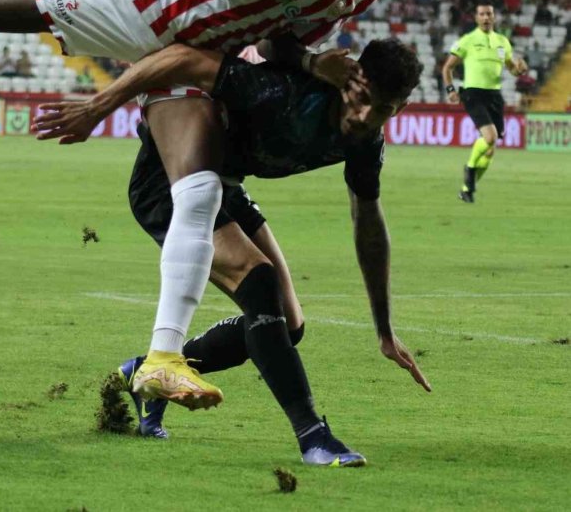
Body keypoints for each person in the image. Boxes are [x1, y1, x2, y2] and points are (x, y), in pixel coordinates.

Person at [0, 0, 445, 409]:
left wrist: (308, 59)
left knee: (201, 190)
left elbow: (279, 39)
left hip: (195, 52)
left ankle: (163, 359)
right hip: (133, 3)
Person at [35, 38, 430, 465]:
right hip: (167, 181)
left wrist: (384, 330)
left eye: (384, 110)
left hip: (225, 189)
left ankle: (145, 374)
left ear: (402, 108)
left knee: (289, 325)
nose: (365, 116)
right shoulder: (279, 91)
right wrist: (97, 108)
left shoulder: (366, 141)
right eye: (363, 99)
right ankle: (313, 436)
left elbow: (368, 226)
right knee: (258, 281)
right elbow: (183, 58)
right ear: (350, 77)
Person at [442, 4, 527, 203]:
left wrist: (520, 70)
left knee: (490, 149)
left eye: (489, 13)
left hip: (495, 96)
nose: (486, 17)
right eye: (482, 14)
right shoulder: (468, 40)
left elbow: (512, 69)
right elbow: (447, 68)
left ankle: (466, 189)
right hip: (473, 94)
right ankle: (470, 169)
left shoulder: (502, 42)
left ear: (494, 17)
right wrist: (451, 90)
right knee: (490, 137)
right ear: (476, 17)